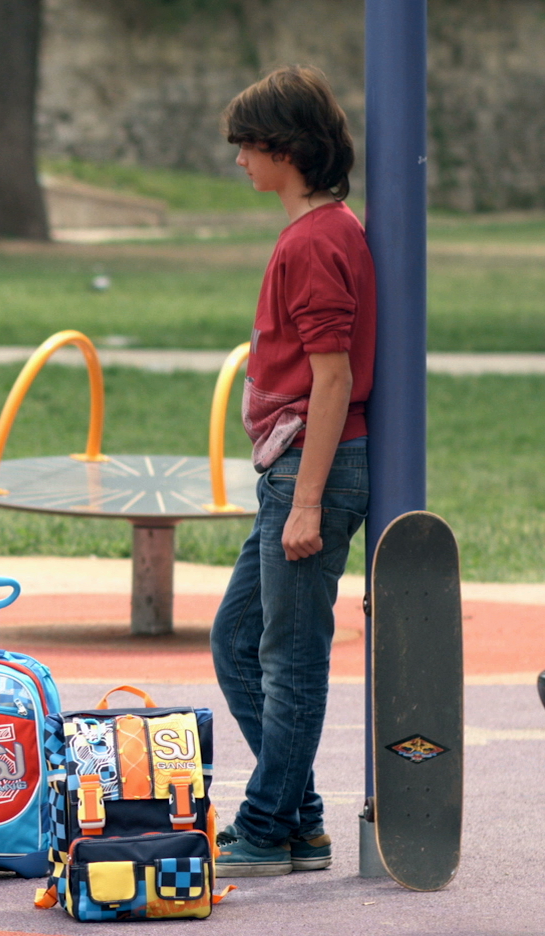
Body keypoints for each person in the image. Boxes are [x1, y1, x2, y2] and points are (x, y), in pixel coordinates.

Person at [210, 66, 374, 877]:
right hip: (294, 467)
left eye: (247, 144)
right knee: (237, 638)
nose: (240, 158)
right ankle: (299, 818)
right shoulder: (323, 230)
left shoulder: (315, 241)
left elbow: (332, 378)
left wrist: (307, 501)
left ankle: (270, 825)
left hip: (312, 469)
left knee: (291, 658)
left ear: (286, 148)